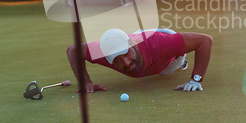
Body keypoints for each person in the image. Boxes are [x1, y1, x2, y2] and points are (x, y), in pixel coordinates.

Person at [66, 28, 213, 93]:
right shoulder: (103, 53)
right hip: (139, 38)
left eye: (125, 53)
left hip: (163, 39)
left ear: (131, 45)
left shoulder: (162, 45)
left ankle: (182, 58)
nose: (125, 63)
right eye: (117, 60)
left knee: (164, 71)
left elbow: (205, 41)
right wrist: (85, 82)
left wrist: (196, 79)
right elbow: (73, 49)